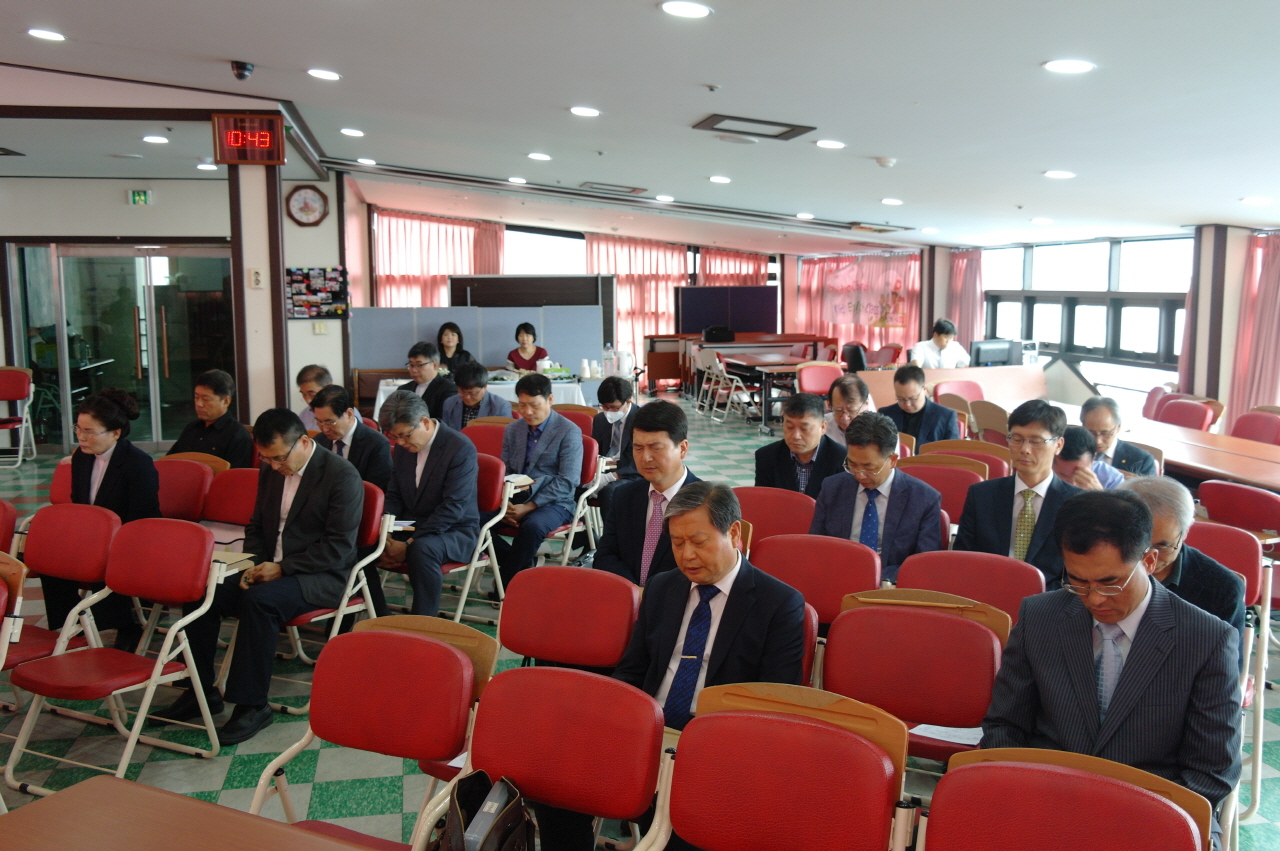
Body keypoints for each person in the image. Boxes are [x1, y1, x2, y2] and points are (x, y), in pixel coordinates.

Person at [537, 482, 806, 851]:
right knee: (553, 779)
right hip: (647, 729)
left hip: (718, 745)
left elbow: (773, 706)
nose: (686, 556)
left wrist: (705, 745)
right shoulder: (663, 588)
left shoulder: (779, 604)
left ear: (734, 533)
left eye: (698, 541)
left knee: (685, 832)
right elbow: (632, 672)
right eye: (677, 543)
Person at [981, 490, 1241, 834]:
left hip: (1152, 815)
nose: (1095, 599)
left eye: (1111, 582)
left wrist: (1119, 822)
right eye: (1078, 582)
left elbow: (1211, 773)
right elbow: (1004, 726)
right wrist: (1027, 796)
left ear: (1149, 561)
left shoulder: (1206, 639)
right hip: (1043, 798)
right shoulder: (1040, 616)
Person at [158, 409, 363, 745]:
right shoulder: (270, 470)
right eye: (266, 458)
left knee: (259, 601)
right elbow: (256, 526)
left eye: (280, 458)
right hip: (272, 568)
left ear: (304, 442)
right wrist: (253, 565)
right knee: (202, 590)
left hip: (321, 575)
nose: (275, 466)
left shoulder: (341, 475)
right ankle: (199, 691)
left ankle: (252, 705)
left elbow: (338, 548)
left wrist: (282, 568)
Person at [41, 388, 159, 650]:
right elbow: (80, 505)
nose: (81, 437)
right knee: (50, 558)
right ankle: (73, 621)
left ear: (115, 433)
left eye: (90, 431)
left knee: (101, 558)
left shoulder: (138, 464)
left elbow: (142, 518)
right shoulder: (82, 458)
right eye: (78, 429)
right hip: (93, 537)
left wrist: (101, 540)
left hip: (132, 539)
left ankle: (125, 626)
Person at [1119, 477, 1246, 668]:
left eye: (1162, 547)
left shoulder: (1220, 589)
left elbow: (1226, 670)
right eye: (1137, 545)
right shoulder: (1093, 569)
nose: (1148, 559)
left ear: (1185, 532)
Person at [954, 400, 1083, 585]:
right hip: (985, 593)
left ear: (1058, 445)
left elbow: (1076, 576)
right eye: (1016, 439)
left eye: (1036, 441)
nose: (1024, 449)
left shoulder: (1078, 505)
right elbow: (963, 559)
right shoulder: (981, 495)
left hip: (1048, 599)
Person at [377, 391, 480, 618]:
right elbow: (394, 494)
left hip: (453, 529)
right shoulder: (404, 448)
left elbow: (453, 508)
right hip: (410, 523)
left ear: (424, 422)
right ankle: (378, 613)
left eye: (404, 435)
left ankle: (423, 623)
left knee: (421, 549)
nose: (400, 443)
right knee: (363, 541)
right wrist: (387, 534)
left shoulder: (459, 448)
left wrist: (408, 543)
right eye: (394, 437)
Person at [810, 412, 943, 584]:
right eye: (852, 464)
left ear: (892, 460)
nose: (859, 475)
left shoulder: (923, 499)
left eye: (869, 467)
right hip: (836, 578)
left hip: (891, 586)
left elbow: (923, 563)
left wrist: (876, 579)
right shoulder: (833, 488)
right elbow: (816, 545)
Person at [593, 400, 701, 586]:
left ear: (682, 449)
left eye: (655, 448)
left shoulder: (705, 503)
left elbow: (707, 568)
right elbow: (605, 556)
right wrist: (634, 591)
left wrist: (652, 595)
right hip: (629, 597)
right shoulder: (623, 496)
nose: (645, 457)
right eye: (638, 448)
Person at [492, 374, 582, 589]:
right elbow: (506, 471)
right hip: (514, 497)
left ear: (550, 399)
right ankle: (517, 563)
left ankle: (507, 583)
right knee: (470, 519)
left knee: (532, 527)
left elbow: (568, 480)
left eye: (534, 405)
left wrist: (528, 507)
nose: (527, 412)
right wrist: (507, 505)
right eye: (522, 405)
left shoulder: (569, 431)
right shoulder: (513, 430)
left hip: (555, 501)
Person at [754, 393, 844, 497]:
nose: (796, 436)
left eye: (804, 429)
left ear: (823, 427)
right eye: (789, 427)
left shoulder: (841, 459)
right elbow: (763, 500)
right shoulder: (767, 456)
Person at [310, 384, 391, 492]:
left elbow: (377, 491)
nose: (324, 429)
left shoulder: (376, 444)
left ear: (349, 414)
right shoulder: (318, 442)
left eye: (329, 422)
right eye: (319, 422)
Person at [166, 369, 254, 468]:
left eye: (206, 399)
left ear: (225, 401)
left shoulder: (237, 435)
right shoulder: (191, 428)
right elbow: (169, 462)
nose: (199, 404)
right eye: (196, 397)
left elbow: (235, 475)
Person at [591, 376, 641, 522]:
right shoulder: (600, 420)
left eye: (614, 407)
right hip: (605, 468)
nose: (609, 411)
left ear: (628, 402)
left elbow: (642, 460)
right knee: (572, 487)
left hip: (632, 473)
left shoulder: (642, 420)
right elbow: (596, 452)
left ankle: (611, 535)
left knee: (610, 491)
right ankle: (583, 533)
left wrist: (612, 476)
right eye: (604, 407)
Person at [876, 365, 961, 444]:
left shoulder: (945, 417)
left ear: (924, 389)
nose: (907, 404)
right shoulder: (885, 415)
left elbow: (953, 451)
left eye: (912, 398)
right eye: (901, 399)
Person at [1081, 396, 1157, 476]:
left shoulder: (1141, 461)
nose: (1098, 441)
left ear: (1118, 427)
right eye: (1091, 433)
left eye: (1105, 433)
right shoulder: (1073, 449)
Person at [441, 361, 511, 430]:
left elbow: (503, 435)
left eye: (472, 393)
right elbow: (446, 432)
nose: (467, 397)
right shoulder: (450, 403)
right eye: (462, 392)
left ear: (485, 387)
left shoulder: (500, 406)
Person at [1053, 426, 1125, 490]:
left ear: (1094, 458)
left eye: (1080, 474)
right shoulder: (1046, 471)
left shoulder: (1112, 480)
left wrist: (1098, 494)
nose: (1073, 484)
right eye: (1064, 475)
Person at [399, 342, 456, 420]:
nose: (414, 370)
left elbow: (444, 420)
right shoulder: (403, 389)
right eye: (411, 365)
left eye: (419, 365)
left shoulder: (448, 389)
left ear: (435, 365)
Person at [824, 373, 875, 447]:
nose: (845, 418)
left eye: (851, 409)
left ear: (866, 404)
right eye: (838, 410)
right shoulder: (822, 426)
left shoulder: (880, 431)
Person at [294, 364, 333, 431]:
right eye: (304, 394)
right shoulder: (304, 415)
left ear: (328, 387)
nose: (308, 400)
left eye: (312, 394)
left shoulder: (344, 413)